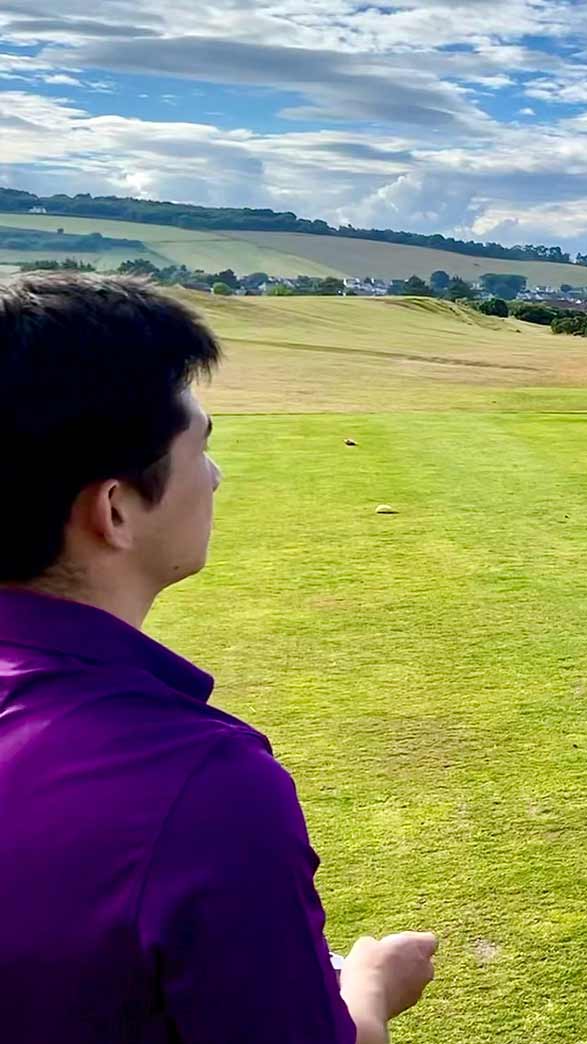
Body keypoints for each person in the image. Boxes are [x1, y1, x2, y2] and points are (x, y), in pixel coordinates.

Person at [0, 273, 438, 1044]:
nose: (215, 475)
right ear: (113, 509)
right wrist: (370, 992)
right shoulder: (199, 786)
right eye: (201, 447)